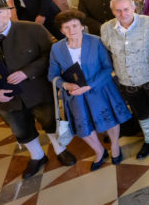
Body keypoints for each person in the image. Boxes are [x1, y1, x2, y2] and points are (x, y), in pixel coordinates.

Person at [0, 0, 77, 179]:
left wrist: (27, 72)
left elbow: (51, 56)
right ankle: (37, 156)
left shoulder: (33, 29)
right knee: (20, 129)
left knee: (49, 122)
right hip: (4, 98)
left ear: (8, 13)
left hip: (38, 91)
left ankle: (60, 149)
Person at [49, 9, 130, 170]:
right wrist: (66, 85)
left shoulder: (95, 41)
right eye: (66, 27)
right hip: (75, 96)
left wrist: (89, 86)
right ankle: (99, 151)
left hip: (100, 90)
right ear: (61, 30)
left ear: (81, 26)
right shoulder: (56, 49)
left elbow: (108, 68)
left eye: (74, 26)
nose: (71, 30)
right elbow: (52, 75)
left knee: (110, 120)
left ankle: (114, 146)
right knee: (83, 127)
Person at [100, 0, 149, 158]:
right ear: (113, 11)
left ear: (134, 7)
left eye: (126, 9)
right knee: (141, 112)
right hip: (126, 80)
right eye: (118, 10)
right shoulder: (106, 29)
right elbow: (108, 51)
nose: (123, 13)